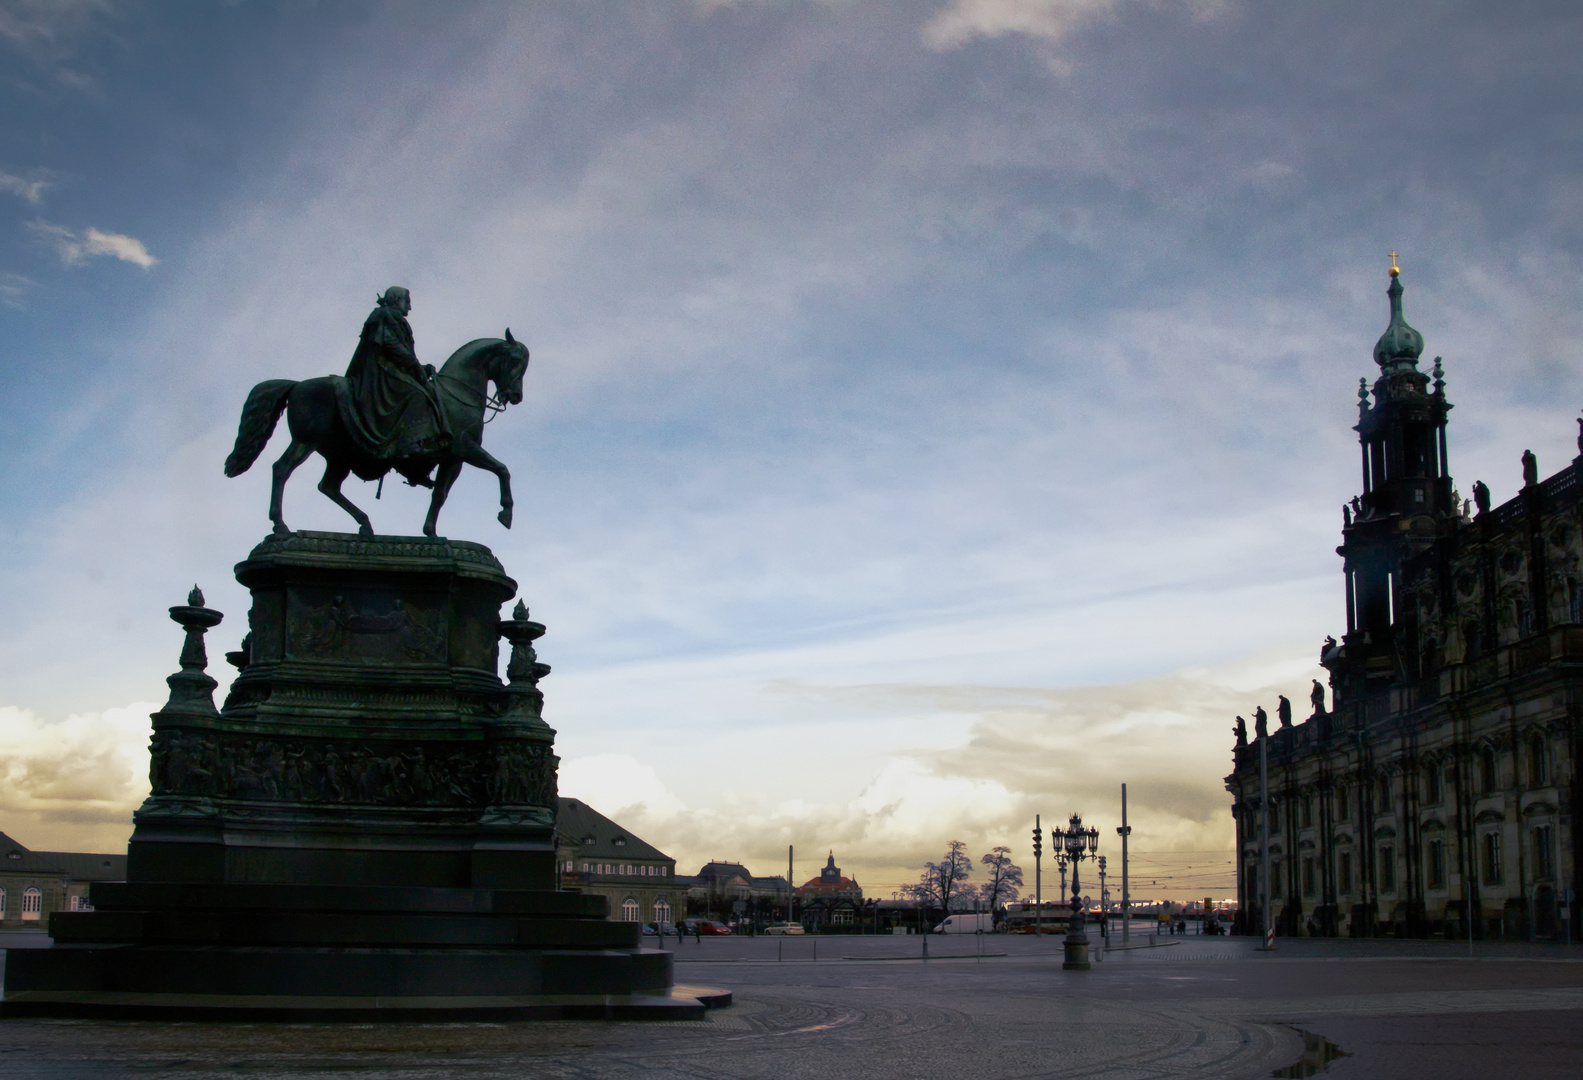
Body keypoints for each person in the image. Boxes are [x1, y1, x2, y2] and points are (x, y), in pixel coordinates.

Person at [342, 286, 452, 479]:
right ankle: (407, 444)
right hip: (379, 369)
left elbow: (404, 352)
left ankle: (416, 462)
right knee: (416, 394)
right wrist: (414, 365)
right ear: (396, 300)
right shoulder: (384, 315)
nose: (409, 308)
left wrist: (419, 367)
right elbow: (391, 344)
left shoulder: (393, 317)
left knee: (427, 390)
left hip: (392, 367)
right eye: (407, 302)